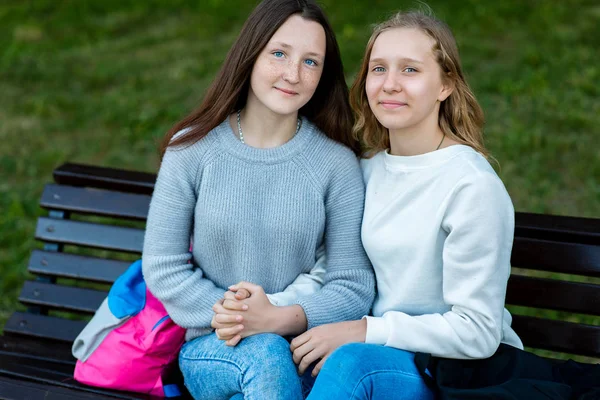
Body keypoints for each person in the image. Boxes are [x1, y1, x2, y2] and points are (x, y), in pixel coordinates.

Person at [140, 0, 375, 399]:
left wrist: (277, 319)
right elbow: (164, 266)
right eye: (279, 54)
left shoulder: (336, 164)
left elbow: (353, 285)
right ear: (250, 56)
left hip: (304, 347)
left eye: (311, 62)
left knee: (275, 360)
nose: (293, 74)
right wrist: (238, 317)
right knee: (265, 356)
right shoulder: (192, 150)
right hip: (213, 346)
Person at [285, 10, 524, 400]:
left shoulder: (471, 186)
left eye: (410, 70)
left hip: (456, 372)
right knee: (277, 356)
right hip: (376, 352)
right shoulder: (364, 172)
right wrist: (266, 309)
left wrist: (367, 330)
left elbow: (478, 331)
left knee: (350, 366)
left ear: (445, 84)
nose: (390, 84)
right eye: (378, 69)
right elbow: (330, 270)